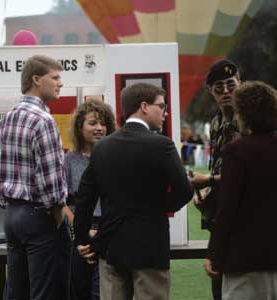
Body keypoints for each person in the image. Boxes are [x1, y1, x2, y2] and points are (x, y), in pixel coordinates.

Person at [73, 82, 193, 300]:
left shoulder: (102, 147)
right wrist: (158, 208)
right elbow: (185, 191)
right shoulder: (162, 145)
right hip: (150, 246)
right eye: (161, 106)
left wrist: (82, 239)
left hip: (110, 246)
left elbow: (84, 199)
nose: (164, 113)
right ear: (144, 106)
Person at [207, 81, 277, 299]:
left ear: (243, 113)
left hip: (245, 254)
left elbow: (227, 209)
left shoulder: (236, 150)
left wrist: (214, 253)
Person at [0, 55, 68, 300]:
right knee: (45, 293)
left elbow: (2, 170)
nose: (60, 83)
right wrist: (60, 219)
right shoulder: (43, 120)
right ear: (37, 79)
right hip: (39, 216)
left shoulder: (7, 117)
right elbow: (51, 181)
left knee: (17, 293)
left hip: (12, 215)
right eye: (55, 77)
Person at [190, 59, 241, 300]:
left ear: (240, 83)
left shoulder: (248, 121)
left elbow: (243, 175)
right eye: (218, 88)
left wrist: (208, 180)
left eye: (231, 85)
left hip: (242, 215)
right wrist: (208, 196)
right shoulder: (216, 122)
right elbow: (219, 166)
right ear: (211, 92)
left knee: (238, 285)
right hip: (220, 214)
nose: (226, 92)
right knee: (219, 286)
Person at [64, 100, 116, 300]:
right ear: (80, 127)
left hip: (109, 231)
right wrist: (82, 231)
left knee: (103, 291)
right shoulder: (69, 160)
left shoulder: (114, 159)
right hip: (79, 234)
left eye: (103, 124)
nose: (99, 128)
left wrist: (101, 232)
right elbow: (61, 203)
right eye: (93, 123)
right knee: (79, 291)